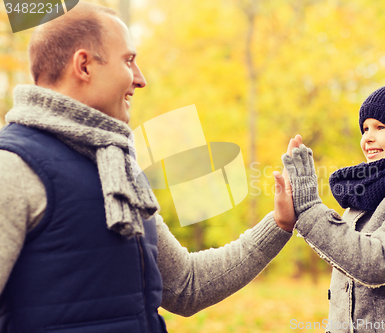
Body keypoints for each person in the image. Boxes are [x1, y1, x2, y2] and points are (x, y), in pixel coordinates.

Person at [0, 2, 298, 332]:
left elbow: (187, 285)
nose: (140, 80)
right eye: (128, 61)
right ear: (84, 65)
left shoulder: (118, 170)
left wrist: (280, 224)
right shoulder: (13, 168)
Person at [281, 83, 385, 332]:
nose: (368, 137)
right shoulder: (362, 198)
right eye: (365, 128)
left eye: (381, 127)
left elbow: (377, 262)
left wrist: (310, 209)